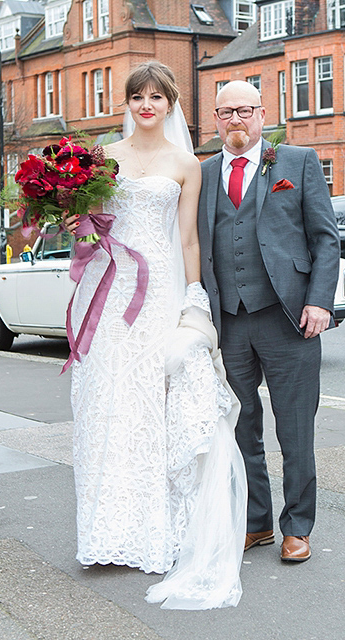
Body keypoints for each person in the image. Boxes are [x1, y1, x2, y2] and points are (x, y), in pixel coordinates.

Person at [64, 61, 247, 610]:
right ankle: (107, 532)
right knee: (104, 402)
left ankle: (155, 532)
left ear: (171, 104)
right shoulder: (103, 159)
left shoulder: (186, 163)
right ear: (128, 103)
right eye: (138, 96)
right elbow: (92, 227)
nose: (147, 105)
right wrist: (77, 225)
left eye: (157, 97)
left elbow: (188, 239)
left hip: (160, 290)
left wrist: (194, 297)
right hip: (110, 284)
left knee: (152, 405)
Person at [198, 80, 340, 563]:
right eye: (225, 112)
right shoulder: (203, 173)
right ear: (215, 119)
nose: (235, 120)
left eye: (244, 110)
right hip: (229, 323)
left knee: (295, 429)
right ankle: (255, 522)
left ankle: (297, 526)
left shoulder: (297, 162)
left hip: (289, 317)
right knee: (240, 428)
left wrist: (320, 301)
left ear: (262, 114)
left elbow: (326, 239)